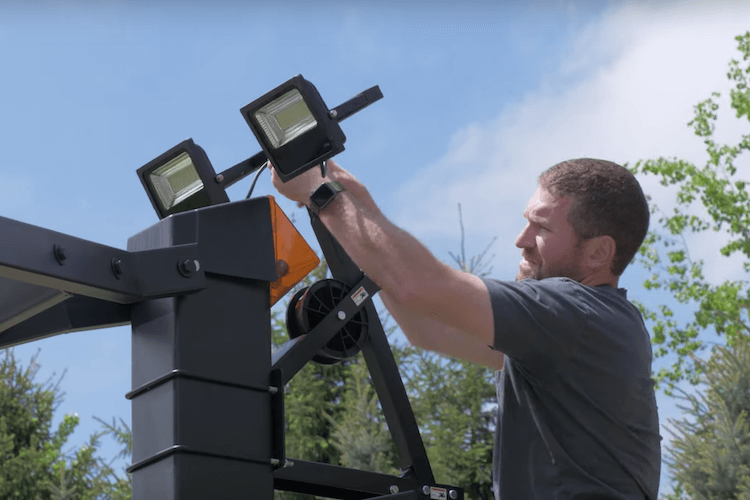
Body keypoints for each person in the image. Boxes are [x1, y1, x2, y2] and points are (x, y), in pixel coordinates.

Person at [271, 157, 662, 500]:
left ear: (599, 252)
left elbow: (419, 286)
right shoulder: (581, 335)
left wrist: (321, 196)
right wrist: (358, 205)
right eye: (525, 221)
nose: (521, 240)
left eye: (540, 228)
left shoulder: (576, 314)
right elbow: (428, 328)